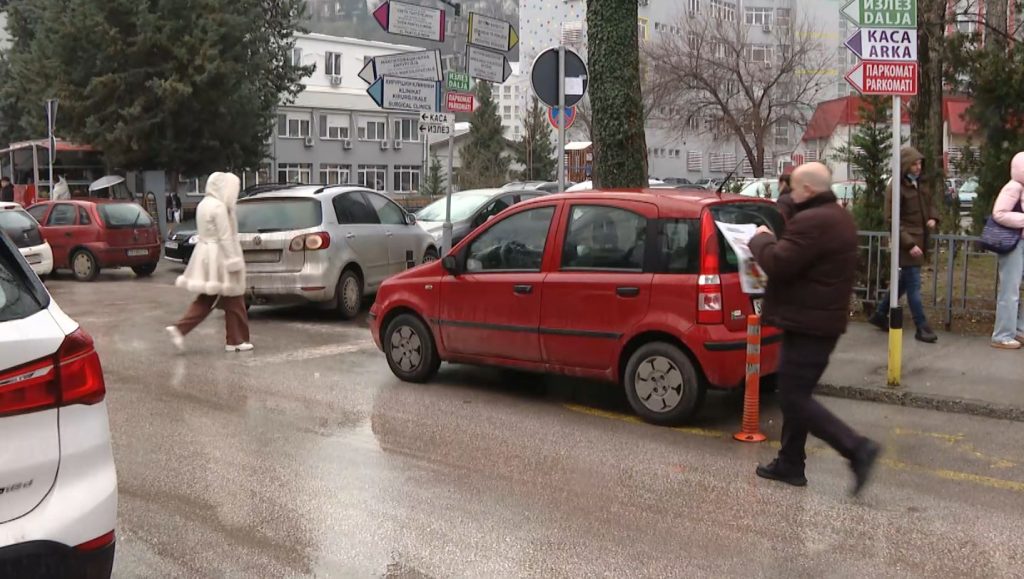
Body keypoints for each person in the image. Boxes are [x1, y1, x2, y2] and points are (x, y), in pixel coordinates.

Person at [749, 162, 881, 496]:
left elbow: (779, 263)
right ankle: (790, 463)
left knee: (794, 398)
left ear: (807, 190)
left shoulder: (815, 222)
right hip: (813, 320)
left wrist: (760, 241)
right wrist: (787, 203)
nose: (789, 194)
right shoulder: (834, 216)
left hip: (810, 323)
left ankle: (857, 448)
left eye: (793, 188)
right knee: (796, 394)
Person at [166, 172, 253, 353]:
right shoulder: (219, 207)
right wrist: (233, 261)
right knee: (235, 297)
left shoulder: (204, 204)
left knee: (209, 298)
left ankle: (181, 329)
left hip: (206, 254)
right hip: (221, 256)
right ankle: (236, 340)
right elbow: (225, 237)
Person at [867, 146, 940, 343]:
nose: (918, 168)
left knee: (904, 283)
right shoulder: (896, 187)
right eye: (914, 164)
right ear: (905, 166)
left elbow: (930, 203)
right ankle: (921, 327)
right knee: (914, 286)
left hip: (919, 240)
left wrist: (933, 217)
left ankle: (880, 314)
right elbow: (892, 220)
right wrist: (908, 244)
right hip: (907, 244)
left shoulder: (920, 184)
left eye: (919, 164)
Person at [990, 152, 1024, 349]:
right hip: (1013, 244)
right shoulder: (1014, 187)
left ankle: (1018, 329)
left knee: (1014, 289)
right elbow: (999, 213)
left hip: (1020, 243)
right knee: (1009, 289)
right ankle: (1002, 334)